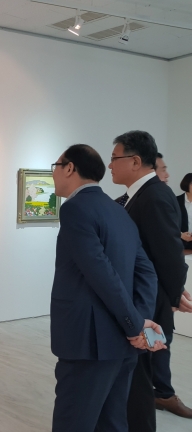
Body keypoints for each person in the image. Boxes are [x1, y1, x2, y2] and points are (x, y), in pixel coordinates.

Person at [50, 143, 163, 432]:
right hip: (123, 345)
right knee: (112, 422)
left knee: (73, 422)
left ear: (70, 168)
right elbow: (146, 272)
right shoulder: (118, 210)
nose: (54, 173)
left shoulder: (75, 208)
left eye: (55, 166)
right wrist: (140, 323)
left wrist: (135, 325)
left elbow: (100, 273)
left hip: (89, 343)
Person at [109, 130, 192, 430]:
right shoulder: (137, 195)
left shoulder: (154, 195)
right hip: (144, 299)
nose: (110, 165)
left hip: (150, 303)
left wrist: (172, 297)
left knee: (141, 375)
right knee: (137, 372)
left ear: (134, 161)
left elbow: (169, 254)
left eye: (114, 158)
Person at [177, 173, 192, 251]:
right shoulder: (176, 201)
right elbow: (169, 222)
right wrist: (180, 234)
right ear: (186, 184)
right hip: (179, 242)